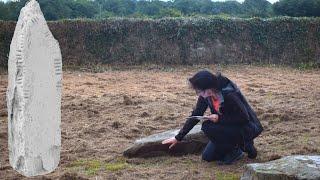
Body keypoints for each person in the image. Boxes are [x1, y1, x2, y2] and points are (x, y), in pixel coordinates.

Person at [162, 70, 263, 164]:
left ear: (208, 88)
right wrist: (178, 137)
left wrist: (219, 118)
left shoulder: (229, 94)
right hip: (226, 127)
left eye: (199, 91)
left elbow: (244, 118)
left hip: (245, 128)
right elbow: (196, 113)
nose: (199, 94)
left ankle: (240, 147)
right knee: (207, 157)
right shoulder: (206, 96)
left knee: (207, 126)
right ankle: (234, 147)